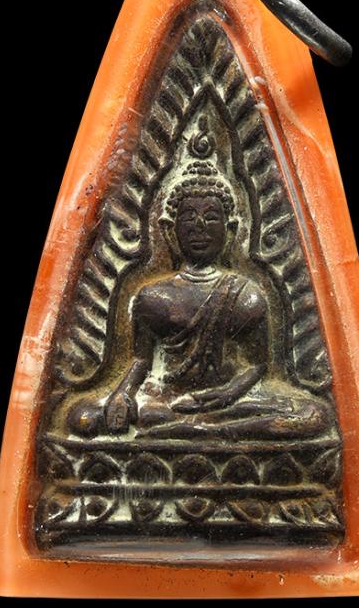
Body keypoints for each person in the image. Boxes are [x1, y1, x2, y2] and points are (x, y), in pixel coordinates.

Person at [95, 159, 329, 440]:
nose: (199, 226)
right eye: (188, 217)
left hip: (231, 403)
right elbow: (141, 361)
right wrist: (122, 394)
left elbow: (258, 366)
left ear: (231, 229)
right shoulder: (153, 297)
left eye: (211, 217)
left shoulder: (247, 294)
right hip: (168, 401)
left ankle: (197, 430)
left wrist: (227, 393)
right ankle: (205, 430)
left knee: (315, 416)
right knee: (85, 417)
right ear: (170, 229)